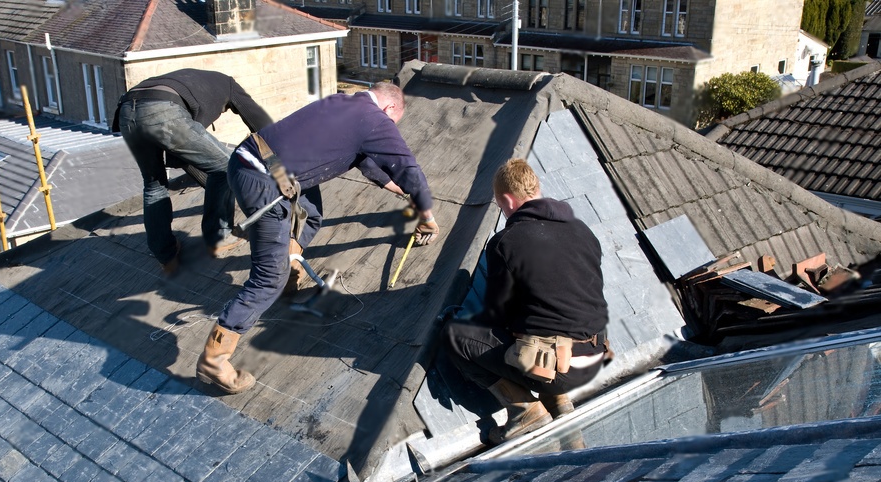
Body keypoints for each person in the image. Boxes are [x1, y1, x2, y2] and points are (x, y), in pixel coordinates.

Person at [196, 81, 438, 393]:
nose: (388, 127)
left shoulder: (344, 103)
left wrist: (397, 190)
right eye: (391, 122)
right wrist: (426, 217)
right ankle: (214, 359)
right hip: (263, 181)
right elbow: (409, 169)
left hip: (256, 159)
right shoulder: (375, 119)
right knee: (267, 278)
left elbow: (364, 159)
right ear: (390, 108)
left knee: (311, 213)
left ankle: (289, 270)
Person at [442, 158, 610, 444]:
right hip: (594, 357)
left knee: (455, 335)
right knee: (552, 320)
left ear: (507, 200)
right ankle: (558, 402)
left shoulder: (506, 242)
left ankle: (523, 411)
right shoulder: (583, 231)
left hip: (556, 369)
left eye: (499, 205)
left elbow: (496, 313)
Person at [113, 69, 273, 274]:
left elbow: (185, 157)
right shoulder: (229, 85)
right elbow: (259, 121)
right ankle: (219, 237)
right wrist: (279, 158)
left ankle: (166, 255)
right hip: (162, 108)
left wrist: (215, 185)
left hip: (128, 111)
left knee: (154, 184)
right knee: (227, 166)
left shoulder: (196, 83)